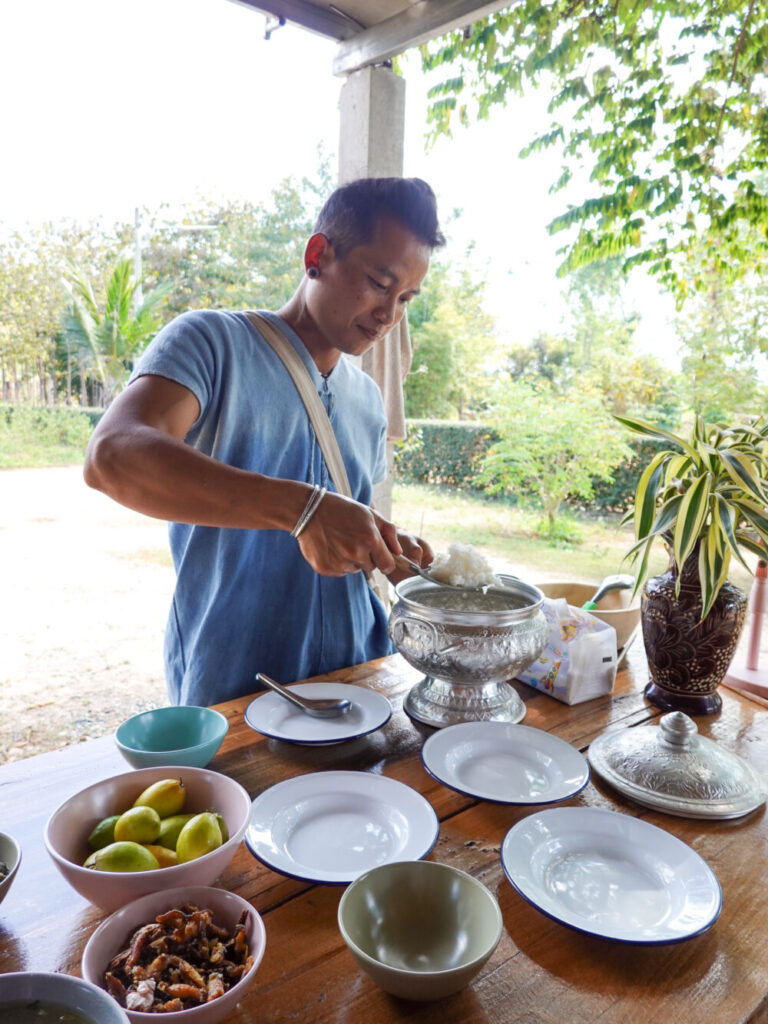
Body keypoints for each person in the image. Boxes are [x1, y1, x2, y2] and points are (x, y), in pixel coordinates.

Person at [84, 176, 446, 706]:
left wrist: (383, 548)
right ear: (317, 256)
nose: (389, 315)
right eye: (378, 282)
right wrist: (304, 510)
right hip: (238, 690)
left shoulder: (368, 399)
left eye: (406, 299)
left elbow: (338, 521)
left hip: (361, 684)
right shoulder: (211, 343)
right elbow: (111, 457)